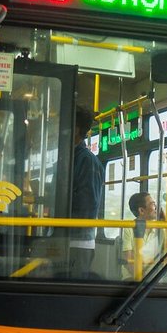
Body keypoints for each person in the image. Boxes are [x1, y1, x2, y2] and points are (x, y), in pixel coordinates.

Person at [69, 105, 104, 276]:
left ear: (75, 129)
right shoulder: (70, 157)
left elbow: (88, 204)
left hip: (77, 241)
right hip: (65, 238)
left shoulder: (87, 161)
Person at [122, 191, 163, 274]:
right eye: (152, 204)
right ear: (141, 210)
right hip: (133, 276)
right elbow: (130, 262)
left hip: (154, 276)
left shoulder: (161, 228)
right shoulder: (129, 229)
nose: (156, 207)